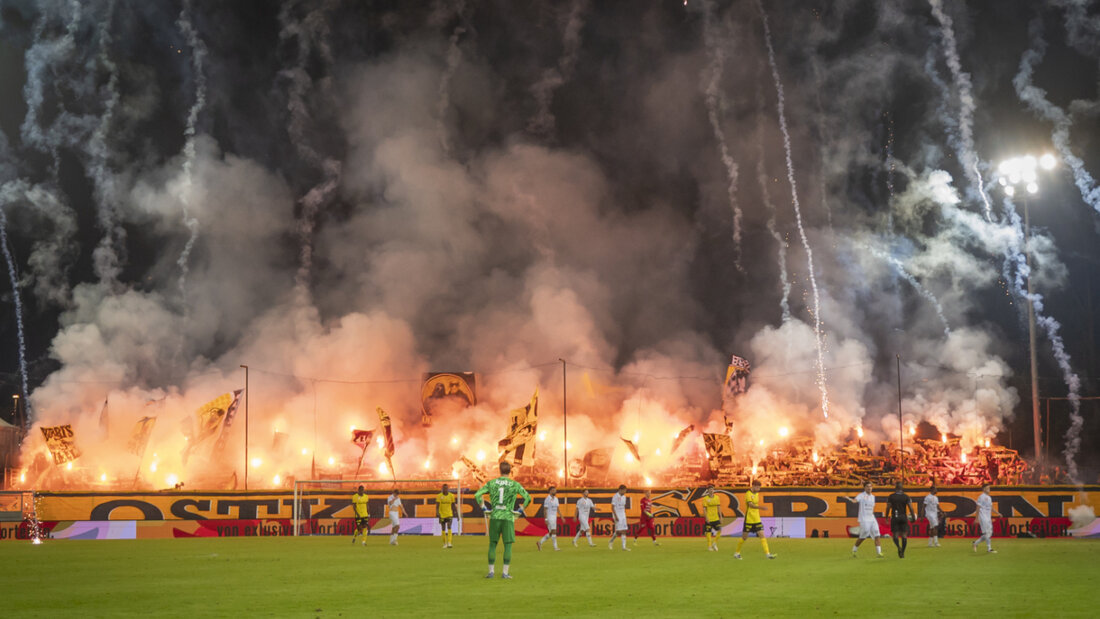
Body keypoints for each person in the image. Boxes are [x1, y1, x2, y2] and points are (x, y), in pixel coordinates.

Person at [473, 461, 532, 579]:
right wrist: (520, 510)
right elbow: (528, 498)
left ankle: (491, 572)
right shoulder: (514, 484)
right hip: (508, 517)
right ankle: (505, 573)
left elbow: (477, 495)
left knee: (492, 544)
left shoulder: (492, 483)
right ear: (510, 471)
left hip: (495, 516)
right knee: (508, 545)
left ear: (499, 470)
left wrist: (484, 507)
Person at [735, 480, 776, 559]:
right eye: (757, 487)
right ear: (753, 486)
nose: (759, 489)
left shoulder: (757, 494)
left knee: (762, 536)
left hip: (757, 519)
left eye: (759, 488)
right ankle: (737, 553)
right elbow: (750, 505)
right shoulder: (748, 494)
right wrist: (761, 507)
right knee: (744, 537)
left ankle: (768, 554)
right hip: (749, 519)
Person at [848, 482, 883, 558]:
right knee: (863, 536)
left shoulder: (873, 497)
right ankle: (854, 550)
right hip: (864, 519)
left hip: (872, 518)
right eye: (867, 486)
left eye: (870, 486)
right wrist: (850, 499)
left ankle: (879, 553)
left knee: (877, 534)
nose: (869, 488)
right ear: (864, 488)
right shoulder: (861, 495)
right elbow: (855, 500)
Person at [885, 482, 916, 558]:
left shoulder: (891, 496)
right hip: (903, 517)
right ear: (902, 488)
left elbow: (888, 507)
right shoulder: (906, 496)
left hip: (895, 517)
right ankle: (903, 552)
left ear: (895, 487)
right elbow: (911, 508)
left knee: (895, 535)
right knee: (904, 535)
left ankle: (899, 547)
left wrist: (886, 517)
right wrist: (913, 517)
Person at [972, 483, 997, 554]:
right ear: (984, 489)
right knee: (986, 533)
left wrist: (998, 513)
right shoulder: (981, 497)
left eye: (989, 488)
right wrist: (977, 518)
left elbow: (991, 508)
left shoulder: (989, 498)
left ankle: (975, 543)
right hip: (983, 517)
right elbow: (978, 507)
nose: (989, 489)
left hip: (988, 517)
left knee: (988, 534)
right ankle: (989, 548)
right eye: (988, 488)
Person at [537, 486, 561, 551]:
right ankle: (555, 547)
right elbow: (545, 509)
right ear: (550, 491)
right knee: (554, 532)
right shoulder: (547, 499)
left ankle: (540, 542)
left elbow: (557, 509)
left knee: (551, 533)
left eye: (555, 490)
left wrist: (561, 516)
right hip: (549, 517)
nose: (554, 491)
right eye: (553, 490)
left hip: (554, 517)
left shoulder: (556, 499)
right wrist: (546, 519)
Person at [608, 484, 630, 551]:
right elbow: (612, 507)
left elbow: (623, 507)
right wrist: (616, 516)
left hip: (623, 515)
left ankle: (623, 547)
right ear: (620, 490)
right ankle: (611, 541)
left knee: (624, 530)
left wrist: (624, 515)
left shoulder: (624, 497)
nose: (625, 492)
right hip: (617, 515)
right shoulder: (615, 497)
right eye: (624, 490)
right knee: (619, 531)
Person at [436, 483, 457, 549]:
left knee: (449, 526)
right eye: (444, 488)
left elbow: (453, 505)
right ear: (442, 489)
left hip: (449, 514)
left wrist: (457, 514)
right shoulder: (439, 496)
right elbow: (437, 506)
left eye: (446, 488)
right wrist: (437, 513)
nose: (445, 489)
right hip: (442, 515)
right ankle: (444, 543)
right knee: (443, 528)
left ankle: (449, 543)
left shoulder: (451, 496)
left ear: (448, 489)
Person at [702, 485, 721, 551]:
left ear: (713, 490)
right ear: (708, 490)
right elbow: (704, 509)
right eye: (710, 489)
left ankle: (714, 543)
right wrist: (706, 518)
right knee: (708, 532)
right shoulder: (705, 499)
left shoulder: (717, 498)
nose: (711, 490)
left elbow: (719, 508)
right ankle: (709, 546)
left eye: (712, 489)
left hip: (716, 518)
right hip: (709, 518)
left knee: (719, 530)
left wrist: (720, 516)